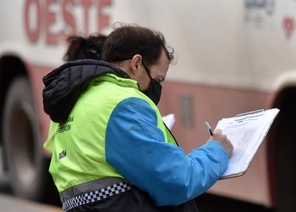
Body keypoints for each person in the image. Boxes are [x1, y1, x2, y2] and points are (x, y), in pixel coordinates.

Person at [42, 23, 234, 211]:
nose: (157, 88)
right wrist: (216, 150)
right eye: (157, 79)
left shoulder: (79, 100)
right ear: (136, 63)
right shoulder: (124, 104)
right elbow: (176, 181)